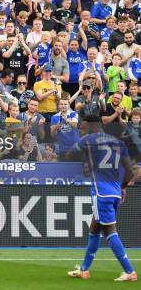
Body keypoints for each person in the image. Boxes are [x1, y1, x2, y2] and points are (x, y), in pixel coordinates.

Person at [67, 118, 137, 282]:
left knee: (109, 231)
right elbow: (130, 172)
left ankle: (129, 271)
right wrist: (123, 187)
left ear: (92, 127)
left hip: (101, 193)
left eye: (82, 127)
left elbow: (69, 153)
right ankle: (84, 270)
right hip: (114, 192)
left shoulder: (89, 140)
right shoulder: (118, 143)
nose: (81, 128)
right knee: (94, 228)